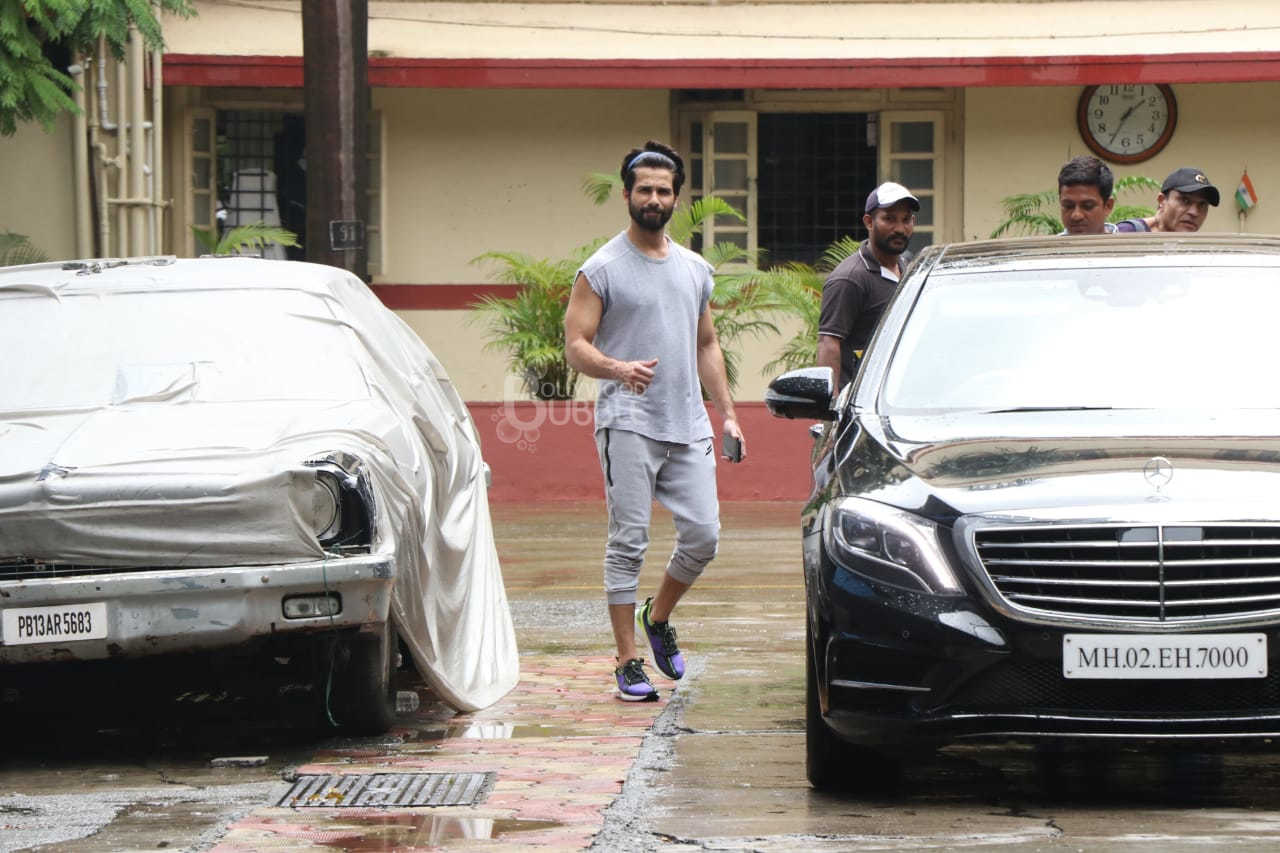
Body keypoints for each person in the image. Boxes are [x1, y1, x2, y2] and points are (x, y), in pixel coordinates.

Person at [564, 140, 745, 702]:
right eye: (644, 189)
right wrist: (618, 368)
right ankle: (627, 661)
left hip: (687, 422)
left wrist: (729, 415)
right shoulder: (602, 269)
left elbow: (707, 343)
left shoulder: (694, 269)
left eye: (663, 190)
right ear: (626, 195)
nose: (653, 198)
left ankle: (657, 615)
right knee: (629, 542)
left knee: (704, 536)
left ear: (676, 199)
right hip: (628, 422)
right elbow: (575, 344)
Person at [817, 181, 918, 391]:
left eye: (906, 219)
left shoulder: (909, 268)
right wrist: (831, 405)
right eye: (889, 219)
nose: (900, 229)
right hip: (862, 403)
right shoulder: (850, 278)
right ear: (869, 222)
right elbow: (829, 343)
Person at [1115, 167, 1220, 232]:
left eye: (1202, 205)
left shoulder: (1198, 251)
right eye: (1185, 201)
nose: (1194, 212)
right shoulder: (1127, 233)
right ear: (1162, 200)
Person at [1057, 155, 1117, 235]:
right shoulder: (1049, 243)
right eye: (1068, 206)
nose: (1076, 216)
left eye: (1088, 206)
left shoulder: (1128, 242)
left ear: (1108, 206)